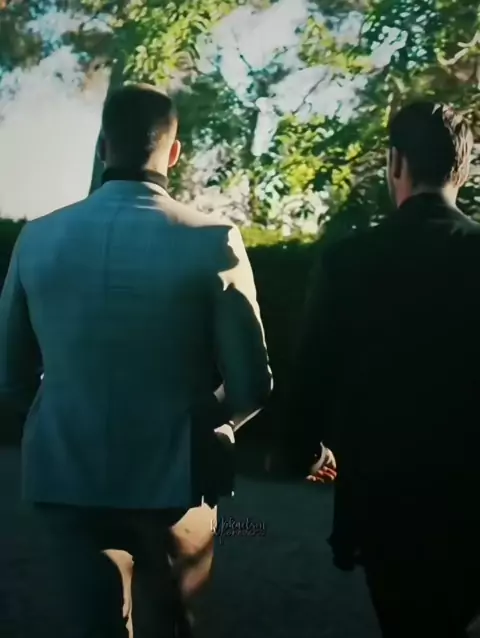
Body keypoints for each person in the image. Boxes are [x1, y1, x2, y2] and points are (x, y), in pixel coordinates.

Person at [0, 83, 272, 638]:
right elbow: (251, 386)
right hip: (175, 478)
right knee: (175, 627)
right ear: (174, 153)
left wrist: (65, 411)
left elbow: (10, 376)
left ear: (103, 146)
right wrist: (206, 424)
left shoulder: (37, 238)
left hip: (67, 473)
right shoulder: (214, 239)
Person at [289, 101, 480, 637]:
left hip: (385, 501)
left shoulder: (349, 261)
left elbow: (312, 373)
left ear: (396, 162)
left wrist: (306, 450)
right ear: (463, 170)